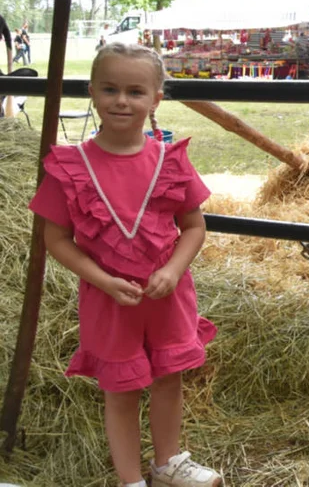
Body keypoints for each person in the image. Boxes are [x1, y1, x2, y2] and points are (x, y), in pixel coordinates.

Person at [28, 43, 222, 487]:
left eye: (136, 91)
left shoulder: (169, 162)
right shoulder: (70, 167)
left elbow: (193, 226)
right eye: (110, 89)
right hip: (109, 300)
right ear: (92, 92)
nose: (121, 100)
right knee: (120, 389)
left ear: (156, 99)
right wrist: (104, 280)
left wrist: (172, 270)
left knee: (169, 378)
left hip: (167, 296)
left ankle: (167, 463)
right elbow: (55, 238)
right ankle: (130, 478)